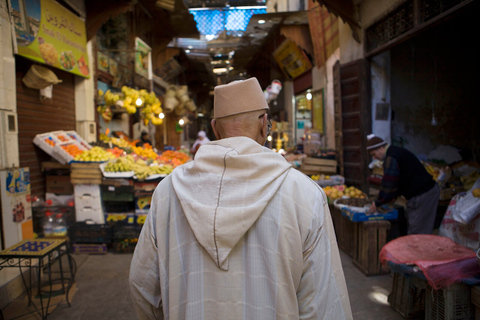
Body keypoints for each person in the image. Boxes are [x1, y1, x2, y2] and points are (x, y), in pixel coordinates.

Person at [129, 77, 352, 319]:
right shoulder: (304, 195)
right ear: (264, 123)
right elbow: (323, 304)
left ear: (215, 129)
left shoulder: (167, 192)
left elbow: (142, 285)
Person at [367, 134, 440, 234]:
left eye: (374, 154)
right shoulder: (394, 152)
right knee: (417, 230)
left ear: (380, 148)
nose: (374, 158)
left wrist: (378, 201)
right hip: (422, 193)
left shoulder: (391, 157)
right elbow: (398, 179)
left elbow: (389, 183)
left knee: (418, 233)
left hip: (424, 194)